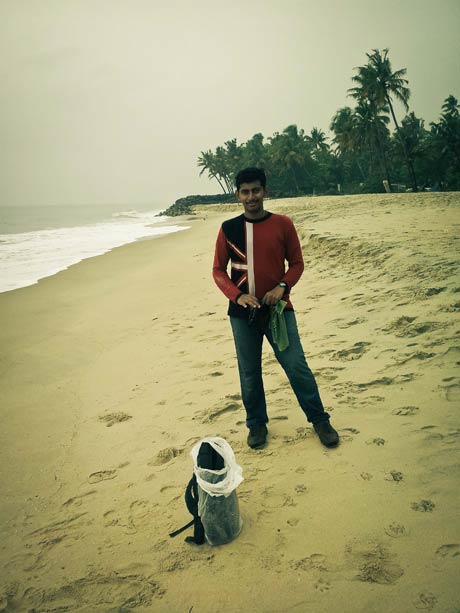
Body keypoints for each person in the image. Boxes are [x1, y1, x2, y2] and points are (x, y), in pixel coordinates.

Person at [212, 167, 339, 450]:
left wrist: (282, 287)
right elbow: (218, 270)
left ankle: (319, 419)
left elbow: (297, 264)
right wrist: (237, 296)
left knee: (296, 365)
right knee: (249, 372)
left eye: (256, 190)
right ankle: (256, 424)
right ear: (238, 195)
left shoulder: (283, 224)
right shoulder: (228, 229)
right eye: (245, 191)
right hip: (243, 314)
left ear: (265, 191)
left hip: (278, 311)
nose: (251, 196)